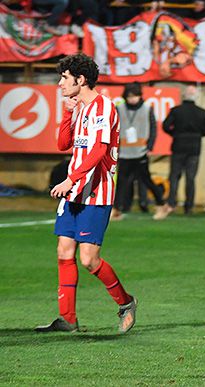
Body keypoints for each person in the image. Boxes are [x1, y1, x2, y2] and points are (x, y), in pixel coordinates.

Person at [36, 53, 137, 334]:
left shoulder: (104, 106)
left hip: (96, 193)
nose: (60, 84)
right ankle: (68, 318)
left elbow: (100, 151)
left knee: (89, 260)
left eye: (64, 78)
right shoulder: (81, 108)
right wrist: (68, 112)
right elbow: (62, 144)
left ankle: (126, 303)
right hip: (74, 193)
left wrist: (71, 180)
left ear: (80, 80)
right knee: (63, 251)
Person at [111, 82, 169, 221]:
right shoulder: (119, 108)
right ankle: (117, 209)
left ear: (139, 96)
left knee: (147, 180)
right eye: (130, 96)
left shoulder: (147, 108)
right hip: (124, 152)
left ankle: (161, 205)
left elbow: (153, 128)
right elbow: (115, 129)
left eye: (135, 96)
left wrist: (149, 147)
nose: (132, 99)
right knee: (122, 183)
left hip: (141, 152)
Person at [161, 85, 205, 217]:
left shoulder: (176, 111)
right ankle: (188, 207)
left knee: (174, 176)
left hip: (178, 146)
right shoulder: (201, 112)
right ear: (196, 96)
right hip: (194, 148)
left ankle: (171, 204)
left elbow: (165, 126)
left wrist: (175, 133)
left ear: (184, 95)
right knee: (190, 178)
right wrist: (197, 134)